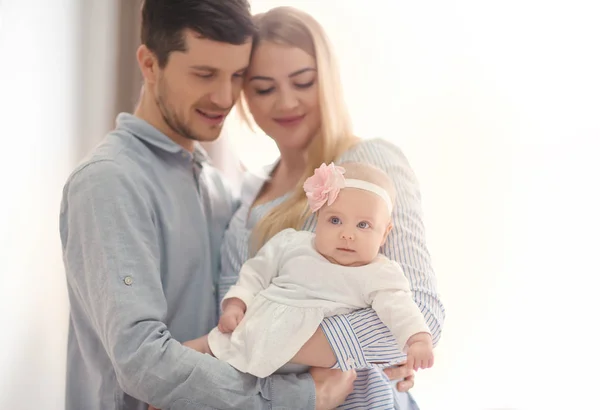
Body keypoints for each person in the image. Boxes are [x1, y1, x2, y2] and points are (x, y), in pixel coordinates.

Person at [59, 1, 356, 409]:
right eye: (204, 74)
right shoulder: (109, 182)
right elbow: (142, 361)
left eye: (237, 76)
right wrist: (303, 398)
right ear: (149, 64)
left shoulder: (219, 189)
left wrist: (373, 353)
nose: (225, 97)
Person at [213, 6, 446, 410]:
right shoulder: (245, 211)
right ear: (245, 97)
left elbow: (420, 311)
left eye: (303, 82)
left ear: (329, 79)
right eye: (264, 88)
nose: (286, 102)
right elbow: (231, 327)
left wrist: (271, 344)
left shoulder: (371, 165)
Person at [205, 162, 434, 380]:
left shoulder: (378, 274)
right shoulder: (292, 243)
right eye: (335, 220)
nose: (347, 234)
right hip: (246, 334)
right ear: (317, 219)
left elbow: (399, 307)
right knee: (196, 353)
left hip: (310, 365)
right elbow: (255, 273)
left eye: (363, 225)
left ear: (385, 233)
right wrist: (236, 303)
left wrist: (417, 340)